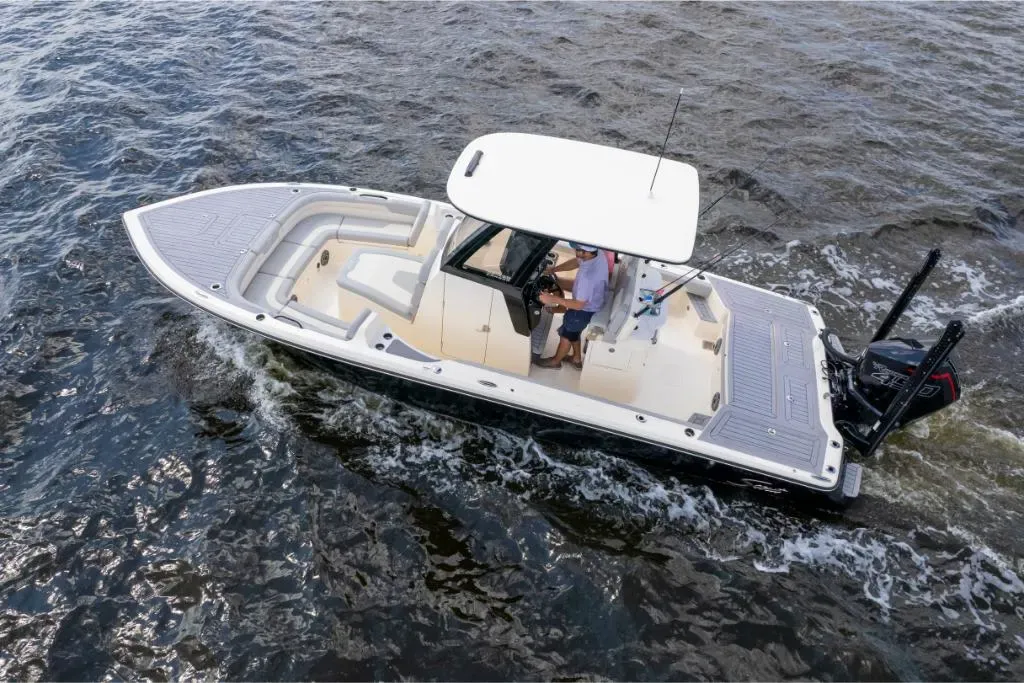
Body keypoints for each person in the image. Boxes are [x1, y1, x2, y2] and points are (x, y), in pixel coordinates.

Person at [535, 243, 609, 369]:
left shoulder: (587, 278)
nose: (574, 250)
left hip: (582, 310)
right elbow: (576, 261)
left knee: (566, 336)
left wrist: (552, 299)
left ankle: (555, 362)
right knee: (574, 332)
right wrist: (554, 270)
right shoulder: (598, 253)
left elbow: (578, 305)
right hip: (594, 300)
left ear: (585, 252)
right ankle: (576, 359)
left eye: (577, 249)